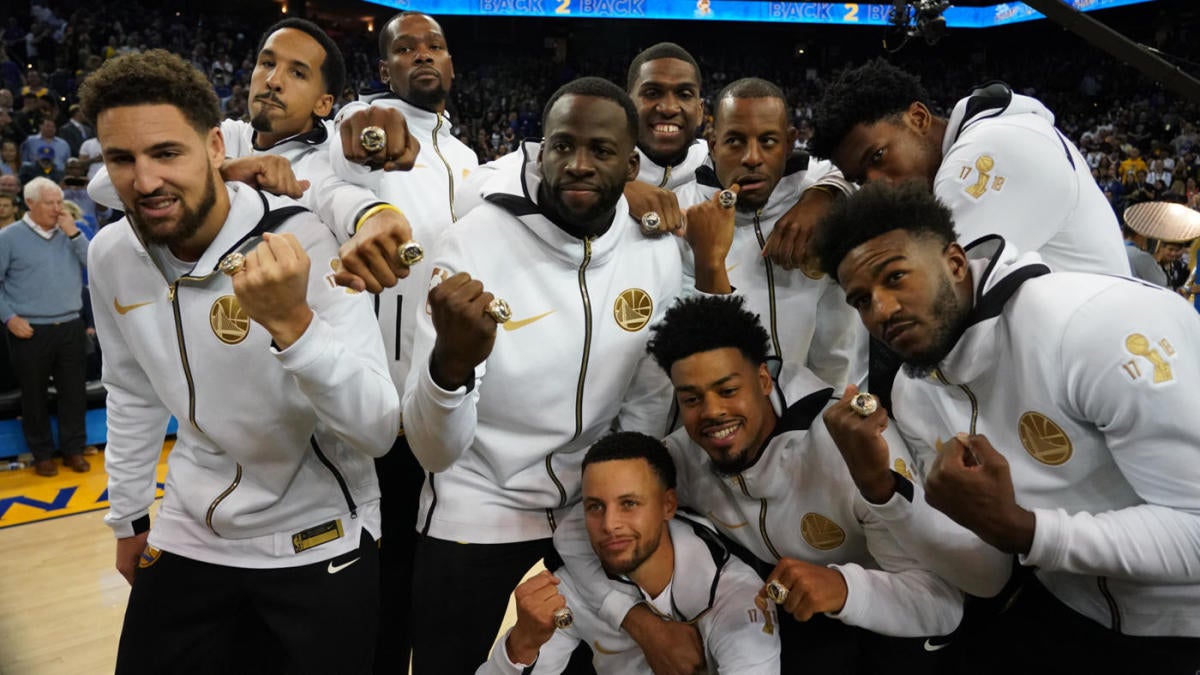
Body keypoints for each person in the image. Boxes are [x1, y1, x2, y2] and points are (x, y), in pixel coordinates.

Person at [79, 49, 399, 673]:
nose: (144, 182)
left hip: (316, 537)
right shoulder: (112, 252)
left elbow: (378, 429)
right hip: (189, 529)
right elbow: (131, 388)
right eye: (122, 159)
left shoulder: (306, 240)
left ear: (216, 148)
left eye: (166, 153)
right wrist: (127, 516)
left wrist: (294, 326)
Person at [815, 180, 1200, 673]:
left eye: (895, 278)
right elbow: (986, 577)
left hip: (1183, 627)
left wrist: (1025, 531)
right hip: (1062, 603)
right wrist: (883, 491)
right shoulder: (915, 395)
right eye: (862, 301)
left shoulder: (1096, 326)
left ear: (955, 263)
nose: (882, 311)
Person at [402, 76, 682, 674]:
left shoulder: (654, 251)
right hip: (475, 515)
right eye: (562, 146)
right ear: (540, 149)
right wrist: (448, 367)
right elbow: (431, 449)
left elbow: (648, 399)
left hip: (590, 517)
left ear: (632, 164)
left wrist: (619, 503)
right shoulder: (470, 247)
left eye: (601, 151)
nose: (578, 164)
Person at [556, 295, 981, 673]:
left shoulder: (849, 450)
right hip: (801, 620)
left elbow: (942, 603)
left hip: (900, 627)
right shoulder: (685, 455)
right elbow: (576, 529)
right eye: (691, 399)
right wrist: (638, 621)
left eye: (727, 390)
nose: (712, 412)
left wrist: (843, 588)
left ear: (762, 381)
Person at [328, 12, 480, 670]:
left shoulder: (468, 158)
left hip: (446, 396)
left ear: (452, 64)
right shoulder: (367, 133)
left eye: (435, 46)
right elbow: (345, 151)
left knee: (430, 576)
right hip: (382, 408)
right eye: (404, 49)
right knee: (381, 581)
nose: (423, 55)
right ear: (385, 70)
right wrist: (366, 121)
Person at [480, 432, 780, 674]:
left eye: (629, 504)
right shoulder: (568, 591)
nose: (610, 525)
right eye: (595, 506)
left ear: (668, 505)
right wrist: (521, 645)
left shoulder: (736, 595)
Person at [811, 58, 1128, 277]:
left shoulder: (983, 152)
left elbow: (937, 308)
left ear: (918, 118)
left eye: (878, 156)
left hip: (1097, 358)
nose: (876, 185)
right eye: (860, 180)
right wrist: (823, 191)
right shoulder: (992, 130)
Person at [676, 77, 865, 389]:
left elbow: (860, 178)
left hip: (813, 409)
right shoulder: (683, 210)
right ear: (712, 143)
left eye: (768, 141)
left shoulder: (817, 189)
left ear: (790, 143)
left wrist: (826, 194)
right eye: (734, 141)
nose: (752, 157)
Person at [0, 176, 89, 477]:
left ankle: (74, 450)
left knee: (73, 392)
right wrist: (9, 318)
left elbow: (94, 263)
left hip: (70, 324)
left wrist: (74, 233)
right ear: (30, 203)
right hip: (30, 328)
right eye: (49, 203)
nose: (56, 209)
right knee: (34, 395)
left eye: (59, 202)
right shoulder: (9, 237)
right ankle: (41, 454)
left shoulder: (71, 232)